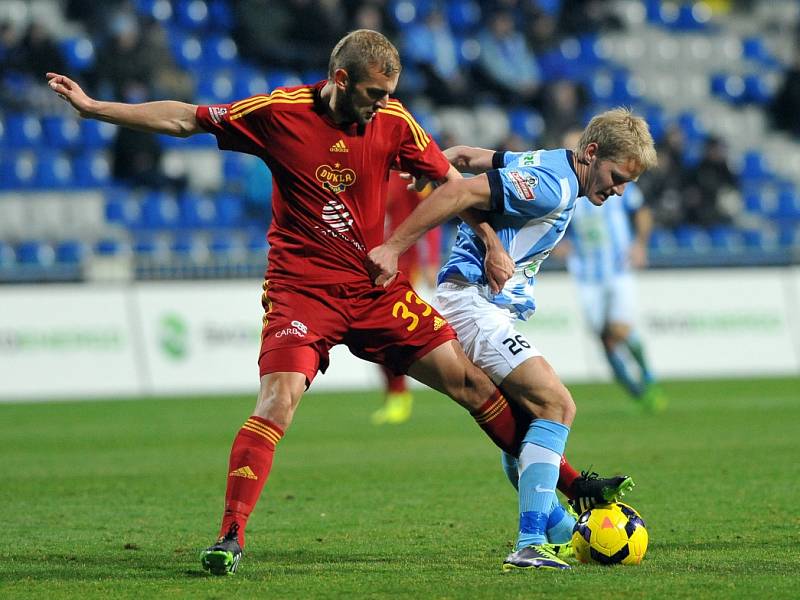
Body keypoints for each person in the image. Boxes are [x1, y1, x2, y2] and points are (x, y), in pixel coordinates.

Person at [47, 29, 540, 576]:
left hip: (373, 287)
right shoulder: (278, 112)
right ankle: (230, 534)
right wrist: (94, 109)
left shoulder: (394, 120)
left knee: (472, 383)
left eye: (390, 93)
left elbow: (454, 183)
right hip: (301, 290)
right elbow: (185, 117)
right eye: (375, 93)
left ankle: (572, 485)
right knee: (277, 402)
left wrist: (493, 244)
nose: (383, 105)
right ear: (341, 80)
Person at [367, 107, 658, 570]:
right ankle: (529, 544)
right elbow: (460, 190)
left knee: (523, 431)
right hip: (473, 302)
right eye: (616, 176)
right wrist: (395, 247)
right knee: (557, 405)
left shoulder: (555, 162)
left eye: (628, 183)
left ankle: (564, 534)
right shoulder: (554, 185)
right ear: (592, 152)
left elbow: (480, 159)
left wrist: (453, 155)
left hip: (483, 302)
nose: (619, 189)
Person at [558, 131, 666, 411]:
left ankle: (648, 380)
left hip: (618, 269)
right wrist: (558, 245)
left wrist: (640, 244)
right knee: (605, 341)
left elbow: (641, 210)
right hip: (586, 276)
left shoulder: (613, 178)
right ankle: (637, 392)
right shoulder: (567, 187)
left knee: (618, 330)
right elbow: (555, 226)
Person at [372, 171, 442, 426]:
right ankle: (396, 393)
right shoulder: (356, 168)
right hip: (365, 266)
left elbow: (432, 212)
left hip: (400, 267)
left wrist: (431, 260)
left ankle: (399, 394)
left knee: (390, 332)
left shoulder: (405, 176)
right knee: (373, 336)